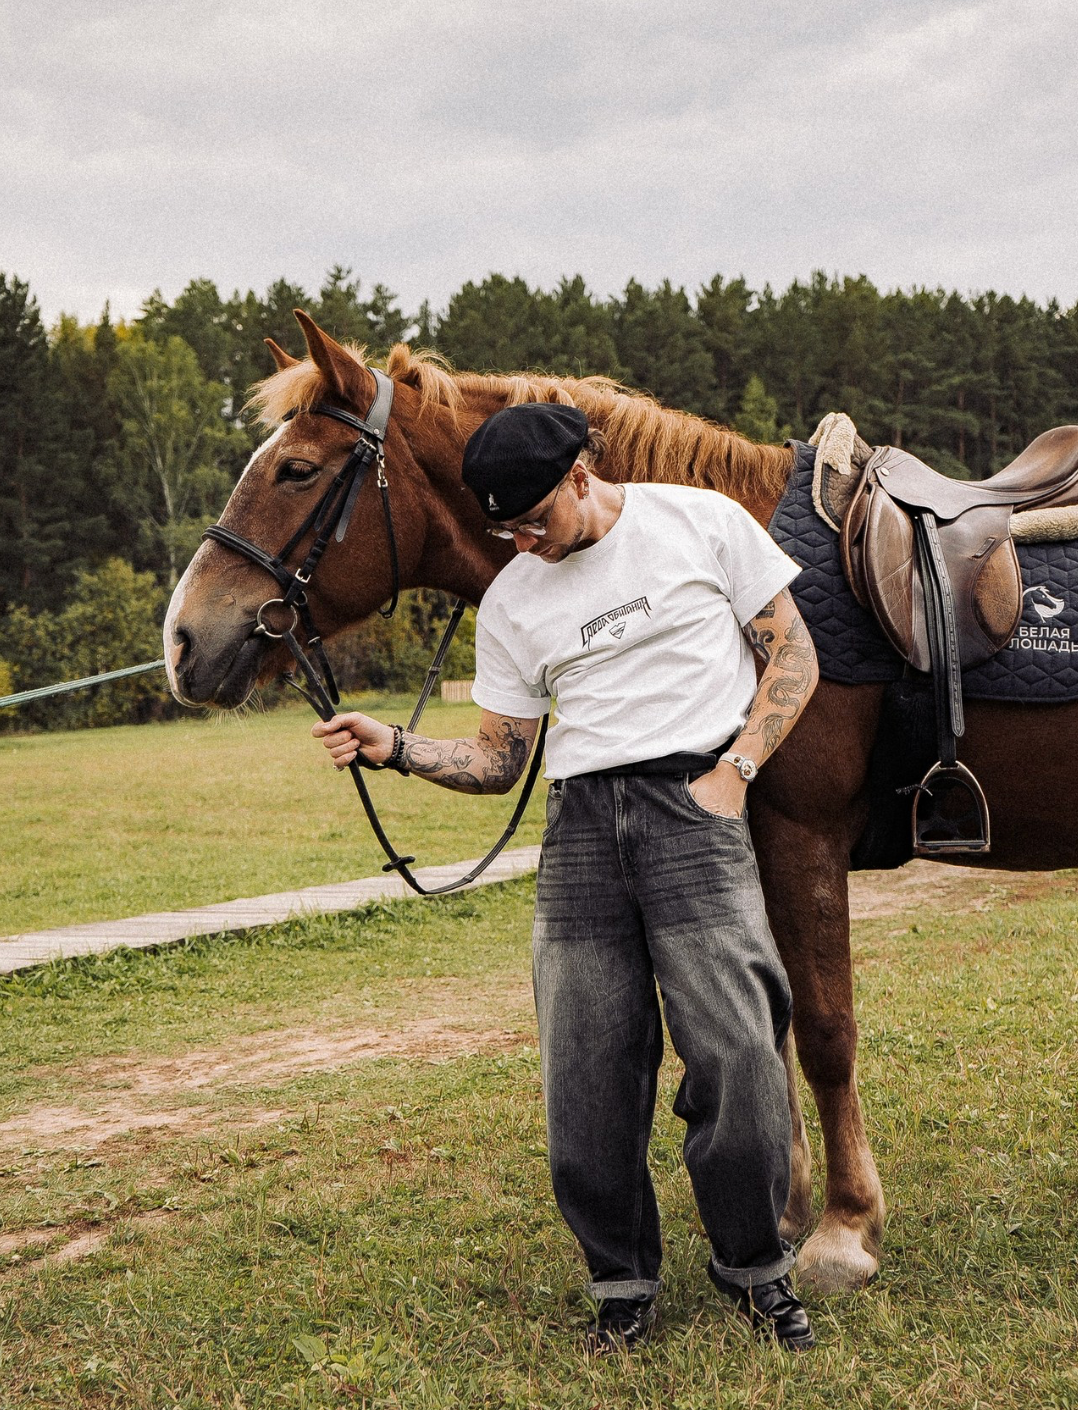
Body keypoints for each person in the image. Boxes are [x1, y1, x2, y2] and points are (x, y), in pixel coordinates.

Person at [313, 402, 820, 1354]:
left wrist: (733, 773)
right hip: (580, 829)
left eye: (536, 520)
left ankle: (756, 1272)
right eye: (506, 530)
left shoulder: (700, 523)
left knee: (741, 1056)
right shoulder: (512, 599)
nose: (526, 544)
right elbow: (499, 760)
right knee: (584, 1072)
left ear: (583, 475)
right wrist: (396, 748)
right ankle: (622, 1285)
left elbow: (792, 653)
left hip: (692, 805)